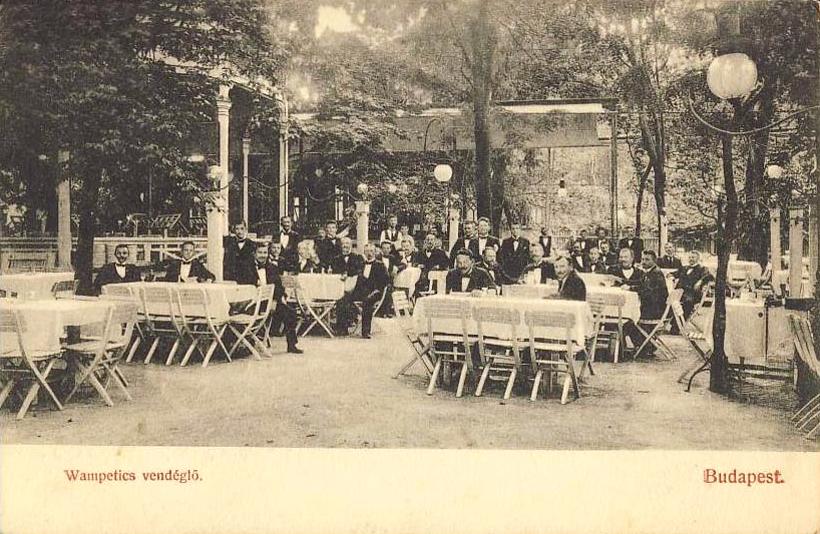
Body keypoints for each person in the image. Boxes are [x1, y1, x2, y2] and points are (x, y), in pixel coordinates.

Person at [334, 243, 390, 338]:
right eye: (367, 251)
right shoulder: (360, 264)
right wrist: (346, 275)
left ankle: (365, 331)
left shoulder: (380, 265)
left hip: (375, 292)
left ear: (375, 252)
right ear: (364, 252)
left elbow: (386, 281)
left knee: (368, 301)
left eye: (371, 251)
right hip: (361, 291)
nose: (369, 253)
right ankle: (342, 329)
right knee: (342, 300)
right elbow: (351, 272)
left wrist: (377, 290)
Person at [256, 243, 302, 354]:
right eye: (260, 252)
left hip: (271, 302)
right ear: (254, 254)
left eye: (265, 252)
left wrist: (276, 300)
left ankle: (292, 345)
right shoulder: (247, 267)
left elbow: (279, 287)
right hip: (253, 302)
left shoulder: (272, 268)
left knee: (290, 312)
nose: (262, 255)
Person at [625, 250, 669, 357]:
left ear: (654, 261)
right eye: (643, 259)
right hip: (655, 309)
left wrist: (630, 288)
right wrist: (623, 281)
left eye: (647, 259)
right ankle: (647, 345)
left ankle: (644, 347)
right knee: (629, 317)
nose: (643, 262)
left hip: (654, 312)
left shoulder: (656, 274)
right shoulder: (651, 271)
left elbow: (647, 291)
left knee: (627, 321)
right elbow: (640, 283)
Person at [673, 250, 714, 318]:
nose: (691, 259)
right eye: (689, 257)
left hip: (692, 294)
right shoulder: (684, 268)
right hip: (680, 292)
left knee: (687, 302)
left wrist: (700, 281)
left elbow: (710, 276)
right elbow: (674, 274)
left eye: (693, 257)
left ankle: (681, 321)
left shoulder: (702, 269)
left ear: (698, 259)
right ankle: (675, 321)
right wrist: (670, 275)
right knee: (669, 300)